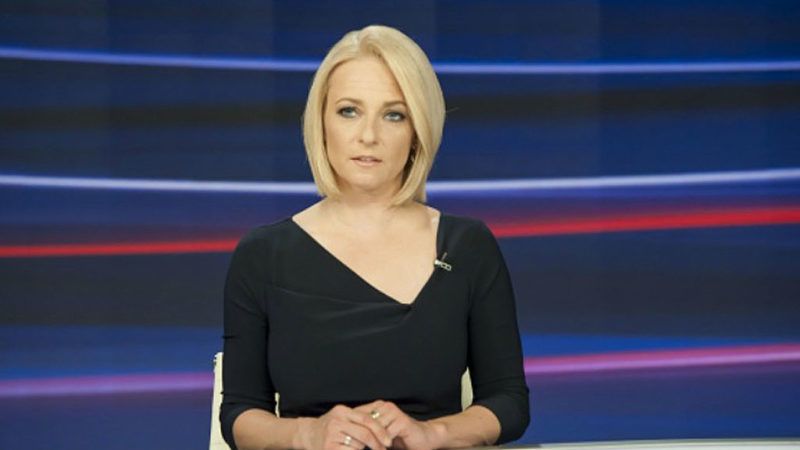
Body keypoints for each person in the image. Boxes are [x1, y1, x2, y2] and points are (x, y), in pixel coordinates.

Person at [221, 25, 529, 450]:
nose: (368, 135)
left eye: (393, 115)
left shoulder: (467, 246)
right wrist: (308, 433)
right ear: (321, 122)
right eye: (349, 111)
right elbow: (239, 414)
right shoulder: (262, 255)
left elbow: (509, 402)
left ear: (418, 130)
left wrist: (433, 433)